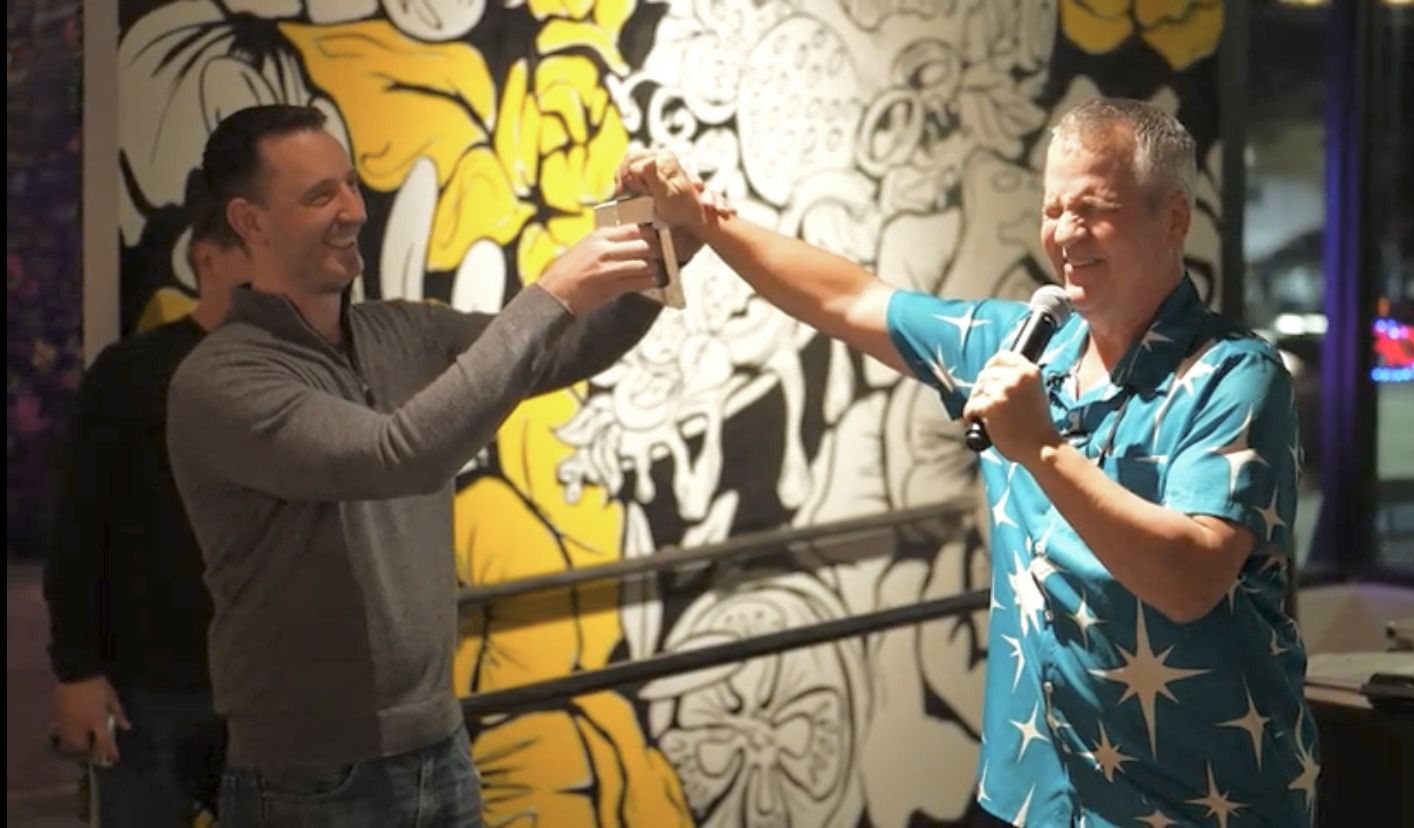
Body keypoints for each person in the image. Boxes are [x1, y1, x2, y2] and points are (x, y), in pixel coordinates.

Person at [626, 97, 1317, 827]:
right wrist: (701, 217)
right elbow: (850, 298)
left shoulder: (1234, 376)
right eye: (1053, 209)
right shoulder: (1021, 348)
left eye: (1094, 209)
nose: (1065, 234)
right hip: (1036, 797)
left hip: (1199, 805)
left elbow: (1191, 580)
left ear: (1173, 218)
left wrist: (1045, 451)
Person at [162, 103, 724, 826]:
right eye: (319, 195)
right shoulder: (224, 380)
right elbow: (397, 456)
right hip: (305, 776)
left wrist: (662, 230)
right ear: (249, 221)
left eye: (352, 185)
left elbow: (557, 351)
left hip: (439, 745)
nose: (352, 211)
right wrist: (551, 290)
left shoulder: (401, 328)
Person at [44, 228, 252, 825]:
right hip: (151, 685)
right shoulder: (132, 373)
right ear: (207, 258)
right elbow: (78, 528)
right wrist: (76, 671)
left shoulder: (300, 370)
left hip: (267, 683)